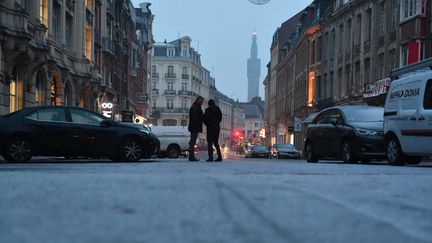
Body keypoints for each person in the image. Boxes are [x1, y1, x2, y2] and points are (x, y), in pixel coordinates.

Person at [188, 96, 204, 161]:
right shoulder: (195, 107)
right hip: (194, 127)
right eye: (201, 101)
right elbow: (195, 118)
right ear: (198, 100)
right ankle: (191, 157)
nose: (202, 102)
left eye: (202, 101)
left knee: (192, 141)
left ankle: (191, 156)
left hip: (194, 126)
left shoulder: (196, 106)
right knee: (192, 142)